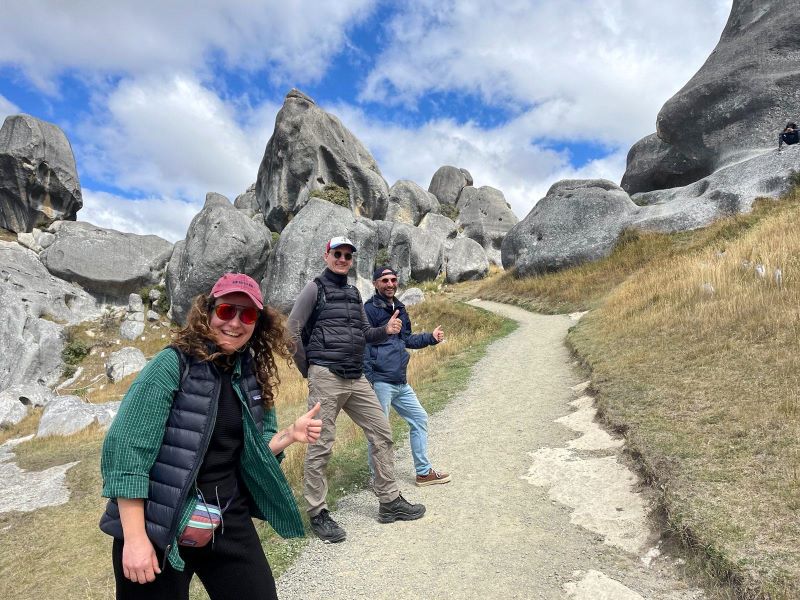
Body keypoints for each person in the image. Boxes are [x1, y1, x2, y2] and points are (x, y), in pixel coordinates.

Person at [99, 272, 322, 600]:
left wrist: (290, 433)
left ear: (257, 323)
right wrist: (134, 540)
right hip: (160, 520)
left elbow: (253, 451)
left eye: (247, 315)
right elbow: (127, 451)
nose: (235, 322)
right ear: (208, 312)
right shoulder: (171, 364)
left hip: (225, 515)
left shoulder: (251, 375)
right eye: (227, 310)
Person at [287, 236, 425, 544]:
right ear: (327, 255)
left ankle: (389, 502)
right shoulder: (315, 288)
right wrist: (309, 369)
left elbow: (364, 333)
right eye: (338, 253)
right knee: (321, 444)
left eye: (348, 255)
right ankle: (318, 512)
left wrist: (385, 331)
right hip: (326, 375)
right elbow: (292, 330)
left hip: (355, 376)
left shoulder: (352, 292)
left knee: (382, 432)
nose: (343, 259)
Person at [363, 267, 451, 487]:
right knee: (379, 432)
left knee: (419, 418)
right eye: (385, 280)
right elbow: (363, 342)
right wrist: (369, 379)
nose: (390, 284)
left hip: (400, 381)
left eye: (393, 279)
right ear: (375, 283)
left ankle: (423, 472)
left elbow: (407, 340)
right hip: (380, 381)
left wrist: (430, 338)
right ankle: (378, 479)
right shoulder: (368, 309)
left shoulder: (400, 307)